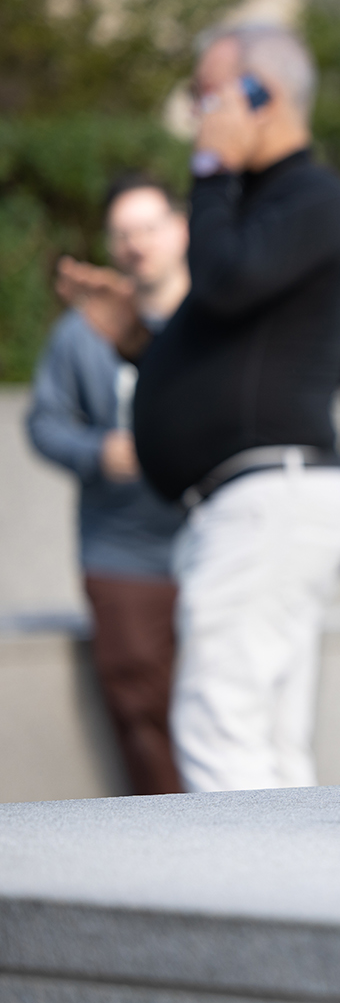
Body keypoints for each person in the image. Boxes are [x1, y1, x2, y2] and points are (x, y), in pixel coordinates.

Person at [55, 23, 340, 792]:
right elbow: (226, 339)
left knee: (217, 723)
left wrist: (209, 166)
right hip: (256, 501)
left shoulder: (307, 195)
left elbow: (223, 282)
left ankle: (252, 909)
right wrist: (137, 341)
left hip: (269, 497)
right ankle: (294, 907)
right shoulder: (259, 209)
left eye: (209, 96)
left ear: (263, 96)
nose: (197, 115)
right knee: (265, 743)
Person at [27, 174, 189, 795]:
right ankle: (166, 843)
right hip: (122, 554)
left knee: (220, 710)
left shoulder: (211, 324)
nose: (135, 244)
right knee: (142, 715)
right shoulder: (81, 334)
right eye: (122, 233)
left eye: (148, 228)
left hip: (214, 544)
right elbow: (43, 422)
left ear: (180, 232)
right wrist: (99, 452)